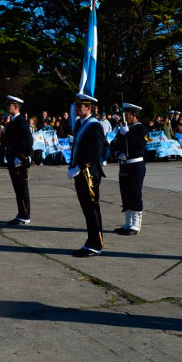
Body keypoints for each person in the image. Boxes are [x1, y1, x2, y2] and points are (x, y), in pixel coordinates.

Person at [67, 94, 107, 257]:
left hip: (89, 174)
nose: (77, 109)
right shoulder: (79, 123)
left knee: (92, 209)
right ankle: (91, 241)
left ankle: (96, 244)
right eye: (76, 106)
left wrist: (81, 166)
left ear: (88, 108)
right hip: (79, 172)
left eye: (80, 106)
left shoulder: (94, 126)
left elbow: (96, 151)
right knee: (86, 209)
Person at [110, 103, 147, 235]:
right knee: (125, 193)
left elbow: (142, 144)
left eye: (126, 115)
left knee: (135, 193)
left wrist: (129, 134)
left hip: (136, 164)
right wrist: (116, 153)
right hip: (124, 164)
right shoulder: (124, 128)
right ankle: (128, 223)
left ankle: (136, 225)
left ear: (133, 115)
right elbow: (113, 144)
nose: (124, 117)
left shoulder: (140, 128)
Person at [2, 96, 34, 225]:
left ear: (15, 107)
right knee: (18, 189)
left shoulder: (20, 121)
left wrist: (22, 157)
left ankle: (25, 215)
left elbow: (29, 141)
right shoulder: (14, 121)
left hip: (19, 161)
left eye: (10, 105)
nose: (7, 107)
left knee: (22, 189)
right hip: (13, 159)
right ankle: (21, 213)